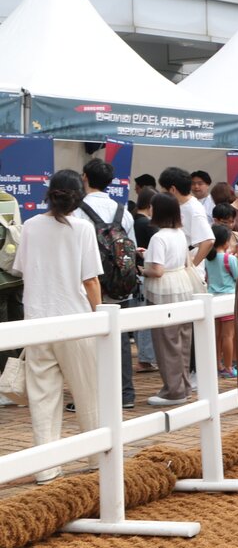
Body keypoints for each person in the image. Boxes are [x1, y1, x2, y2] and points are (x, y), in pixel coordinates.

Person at [12, 170, 102, 482]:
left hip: (37, 320)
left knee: (42, 398)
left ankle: (46, 467)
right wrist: (98, 316)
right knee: (89, 393)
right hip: (76, 320)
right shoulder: (83, 228)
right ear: (79, 196)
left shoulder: (31, 226)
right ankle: (96, 456)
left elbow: (23, 271)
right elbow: (90, 280)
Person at [72, 158, 137, 409]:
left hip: (89, 283)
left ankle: (94, 396)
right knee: (119, 339)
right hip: (120, 284)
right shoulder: (124, 212)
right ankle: (125, 393)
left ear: (85, 177)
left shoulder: (78, 211)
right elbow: (130, 250)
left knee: (90, 341)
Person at [141, 193, 195, 406]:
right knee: (182, 340)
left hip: (164, 290)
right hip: (182, 285)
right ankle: (183, 386)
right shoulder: (179, 233)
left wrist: (141, 269)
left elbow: (157, 270)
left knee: (166, 342)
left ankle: (173, 391)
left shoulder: (159, 237)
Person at [159, 166, 215, 267]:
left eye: (163, 190)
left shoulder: (194, 209)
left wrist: (192, 267)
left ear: (172, 189)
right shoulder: (178, 204)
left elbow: (208, 241)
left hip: (188, 260)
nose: (162, 193)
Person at [205, 224, 238, 379]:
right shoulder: (229, 258)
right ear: (226, 242)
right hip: (227, 300)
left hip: (212, 300)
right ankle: (228, 367)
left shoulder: (208, 259)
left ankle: (216, 365)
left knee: (216, 335)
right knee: (228, 335)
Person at [131, 187, 158, 373]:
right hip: (145, 273)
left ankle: (145, 357)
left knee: (138, 318)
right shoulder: (150, 227)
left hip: (134, 274)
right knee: (147, 319)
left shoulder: (130, 220)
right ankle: (146, 358)